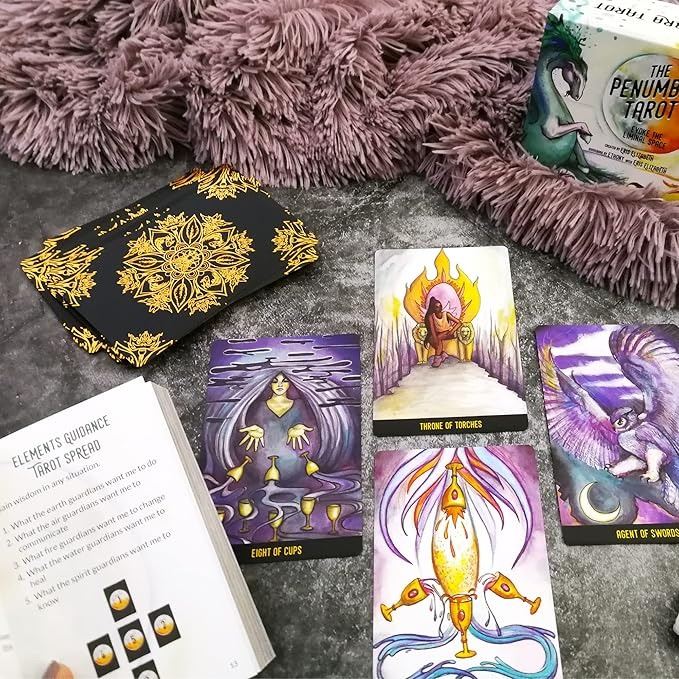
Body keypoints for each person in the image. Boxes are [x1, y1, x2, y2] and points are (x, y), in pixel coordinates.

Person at [424, 296, 461, 368]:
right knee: (431, 339)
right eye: (437, 307)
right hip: (439, 333)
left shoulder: (446, 314)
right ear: (433, 308)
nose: (439, 308)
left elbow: (459, 323)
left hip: (449, 332)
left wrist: (452, 331)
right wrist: (434, 338)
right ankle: (442, 354)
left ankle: (437, 358)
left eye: (440, 306)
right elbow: (432, 329)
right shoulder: (431, 316)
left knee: (438, 338)